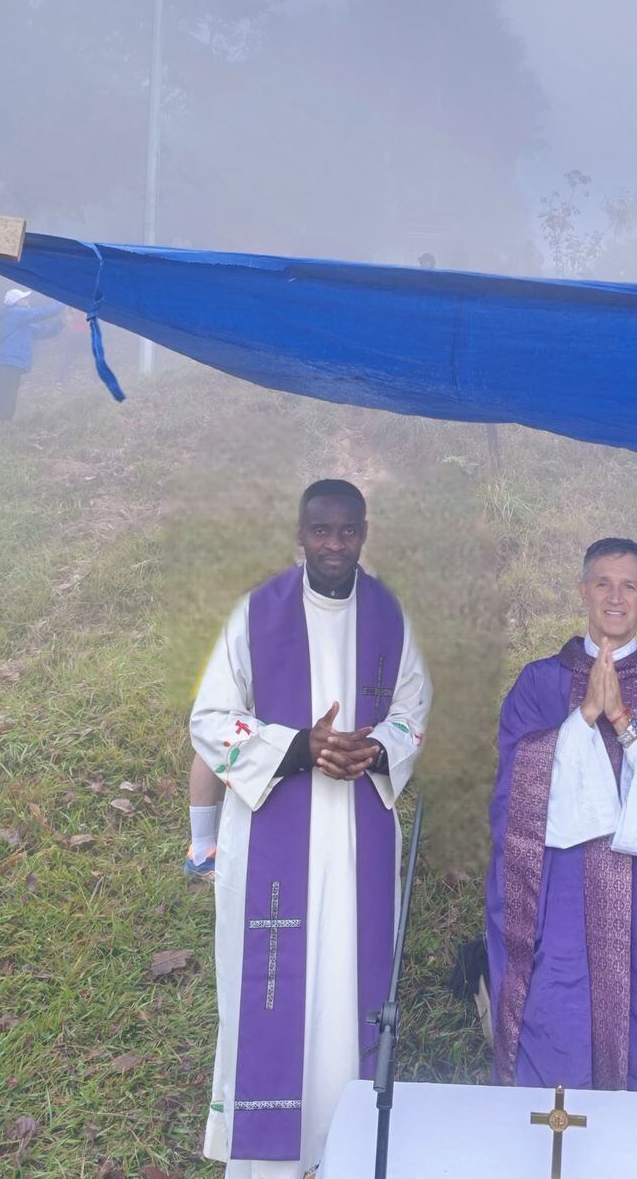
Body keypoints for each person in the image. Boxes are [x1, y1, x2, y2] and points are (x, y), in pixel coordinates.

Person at [190, 479, 431, 1178]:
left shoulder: (389, 616)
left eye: (347, 530)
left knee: (351, 987)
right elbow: (209, 719)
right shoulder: (256, 614)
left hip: (359, 840)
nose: (334, 543)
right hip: (275, 834)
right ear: (300, 535)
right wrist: (299, 747)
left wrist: (375, 749)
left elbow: (413, 707)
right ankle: (267, 1159)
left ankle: (343, 1148)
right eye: (321, 530)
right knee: (276, 990)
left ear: (364, 533)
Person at [485, 537, 637, 1102]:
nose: (615, 598)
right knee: (557, 1019)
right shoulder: (538, 684)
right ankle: (554, 1142)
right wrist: (581, 720)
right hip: (560, 902)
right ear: (583, 591)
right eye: (603, 583)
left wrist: (623, 722)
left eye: (628, 586)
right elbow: (511, 790)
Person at [0, 287, 63, 442]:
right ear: (16, 302)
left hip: (13, 365)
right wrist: (65, 300)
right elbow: (43, 312)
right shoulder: (14, 313)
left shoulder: (22, 322)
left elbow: (45, 332)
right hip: (3, 364)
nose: (28, 301)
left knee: (6, 402)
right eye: (25, 299)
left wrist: (61, 322)